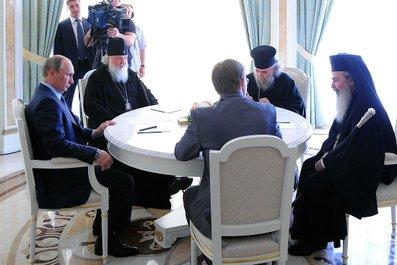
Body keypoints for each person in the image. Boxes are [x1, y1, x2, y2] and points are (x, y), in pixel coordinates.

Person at [25, 55, 139, 257]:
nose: (71, 81)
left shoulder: (49, 95)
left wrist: (95, 132)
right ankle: (108, 241)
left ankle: (102, 225)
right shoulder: (47, 102)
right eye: (68, 75)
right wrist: (94, 153)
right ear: (52, 73)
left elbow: (74, 129)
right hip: (63, 177)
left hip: (69, 168)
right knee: (125, 182)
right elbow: (56, 145)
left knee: (118, 166)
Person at [288, 53, 397, 256]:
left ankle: (316, 239)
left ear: (352, 80)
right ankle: (304, 230)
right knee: (308, 166)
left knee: (316, 184)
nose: (332, 85)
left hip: (370, 167)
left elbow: (362, 152)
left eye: (336, 80)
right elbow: (339, 137)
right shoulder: (352, 99)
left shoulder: (367, 107)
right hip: (348, 159)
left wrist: (328, 161)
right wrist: (324, 156)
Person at [175, 59, 282, 241]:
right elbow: (279, 154)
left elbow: (181, 153)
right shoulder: (268, 112)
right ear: (242, 82)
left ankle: (212, 252)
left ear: (217, 88)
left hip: (219, 214)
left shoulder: (202, 116)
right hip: (265, 207)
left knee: (191, 195)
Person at [84, 38, 192, 209]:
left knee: (157, 143)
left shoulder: (130, 75)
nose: (122, 62)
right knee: (142, 156)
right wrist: (120, 123)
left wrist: (159, 112)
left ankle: (168, 181)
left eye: (125, 58)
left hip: (137, 130)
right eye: (118, 58)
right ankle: (159, 190)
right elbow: (92, 108)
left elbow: (148, 97)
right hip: (111, 134)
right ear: (108, 58)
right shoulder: (97, 79)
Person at [54, 0, 94, 108]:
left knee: (88, 96)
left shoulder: (90, 23)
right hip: (70, 67)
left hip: (88, 64)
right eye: (72, 7)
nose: (75, 9)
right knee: (67, 97)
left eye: (77, 5)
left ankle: (85, 121)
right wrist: (59, 68)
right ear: (68, 9)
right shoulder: (61, 26)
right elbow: (58, 51)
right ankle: (69, 120)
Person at [247, 45, 306, 117]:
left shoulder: (285, 81)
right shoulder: (248, 80)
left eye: (264, 72)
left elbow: (297, 106)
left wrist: (272, 105)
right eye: (257, 71)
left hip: (280, 121)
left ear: (275, 69)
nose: (260, 75)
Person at [84, 0, 136, 69]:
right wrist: (94, 28)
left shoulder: (125, 20)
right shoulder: (100, 19)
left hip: (120, 62)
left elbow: (131, 41)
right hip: (100, 61)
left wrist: (118, 35)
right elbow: (86, 43)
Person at [122, 3, 147, 77]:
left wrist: (142, 66)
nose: (127, 14)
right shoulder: (116, 29)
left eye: (130, 12)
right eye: (125, 11)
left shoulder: (138, 29)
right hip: (119, 65)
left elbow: (142, 48)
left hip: (134, 66)